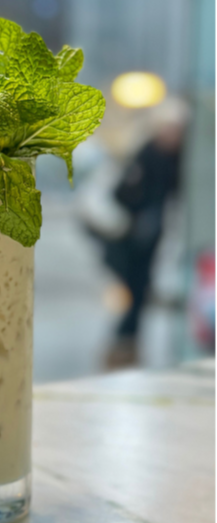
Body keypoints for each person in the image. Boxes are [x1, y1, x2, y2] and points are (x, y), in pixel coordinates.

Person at [102, 100, 187, 368]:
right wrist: (140, 214)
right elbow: (121, 192)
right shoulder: (147, 154)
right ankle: (124, 342)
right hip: (132, 237)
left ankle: (128, 341)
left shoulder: (177, 158)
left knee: (140, 290)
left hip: (151, 235)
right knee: (135, 289)